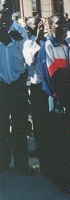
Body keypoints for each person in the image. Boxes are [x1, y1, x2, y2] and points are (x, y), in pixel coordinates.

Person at [38, 13, 70, 198]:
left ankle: (62, 176)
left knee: (68, 139)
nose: (62, 26)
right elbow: (50, 77)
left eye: (64, 23)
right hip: (58, 99)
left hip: (68, 98)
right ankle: (66, 184)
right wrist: (59, 99)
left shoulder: (68, 45)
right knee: (63, 141)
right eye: (57, 24)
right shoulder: (48, 46)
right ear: (49, 27)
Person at [0, 10, 33, 175]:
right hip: (1, 89)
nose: (3, 19)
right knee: (2, 128)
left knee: (20, 127)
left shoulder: (20, 32)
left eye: (6, 16)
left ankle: (22, 164)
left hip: (17, 87)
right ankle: (3, 163)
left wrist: (19, 41)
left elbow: (28, 58)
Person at [23, 16, 52, 176]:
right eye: (36, 23)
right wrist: (38, 38)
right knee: (40, 128)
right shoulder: (28, 43)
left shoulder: (48, 41)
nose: (40, 25)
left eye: (41, 22)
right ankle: (44, 165)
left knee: (51, 127)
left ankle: (52, 161)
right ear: (29, 27)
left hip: (49, 88)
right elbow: (31, 61)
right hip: (37, 88)